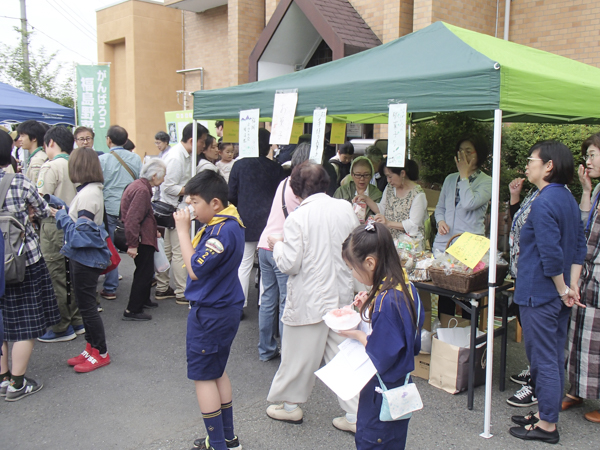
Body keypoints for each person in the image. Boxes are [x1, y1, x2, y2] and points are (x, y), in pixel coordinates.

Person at [266, 161, 359, 433]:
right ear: (326, 183)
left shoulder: (297, 217)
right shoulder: (345, 208)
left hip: (308, 300)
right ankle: (355, 415)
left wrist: (278, 245)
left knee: (297, 357)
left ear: (295, 189)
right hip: (341, 296)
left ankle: (290, 406)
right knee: (342, 357)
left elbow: (290, 264)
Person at [508, 141, 586, 444]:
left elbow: (550, 255)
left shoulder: (544, 202)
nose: (528, 165)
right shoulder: (567, 197)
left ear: (548, 166)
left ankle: (547, 425)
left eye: (532, 160)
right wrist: (571, 286)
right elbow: (579, 246)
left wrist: (563, 287)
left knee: (543, 360)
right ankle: (543, 415)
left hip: (540, 293)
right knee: (551, 356)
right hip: (557, 293)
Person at [173, 170, 245, 450]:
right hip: (224, 306)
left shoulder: (220, 231)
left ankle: (217, 444)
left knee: (203, 376)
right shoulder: (230, 221)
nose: (191, 210)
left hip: (212, 311)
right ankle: (227, 438)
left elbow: (194, 271)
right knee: (217, 371)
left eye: (194, 203)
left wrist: (181, 231)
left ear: (214, 203)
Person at [339, 222, 424, 449]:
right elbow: (410, 338)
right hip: (400, 389)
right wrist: (369, 304)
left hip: (381, 391)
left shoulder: (387, 301)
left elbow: (381, 352)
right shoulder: (404, 284)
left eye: (354, 269)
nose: (354, 274)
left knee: (373, 440)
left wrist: (356, 334)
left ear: (370, 262)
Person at [0, 129, 59, 401]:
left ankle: (2, 378)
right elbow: (44, 209)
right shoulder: (19, 181)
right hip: (22, 260)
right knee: (24, 323)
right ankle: (18, 383)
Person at [53, 147, 112, 373]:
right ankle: (91, 349)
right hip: (85, 257)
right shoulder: (91, 190)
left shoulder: (87, 194)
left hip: (85, 258)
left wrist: (60, 215)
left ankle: (101, 352)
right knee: (85, 305)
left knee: (87, 307)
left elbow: (81, 234)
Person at [256, 143, 310, 362]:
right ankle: (287, 352)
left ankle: (266, 349)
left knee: (268, 298)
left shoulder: (284, 182)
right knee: (286, 300)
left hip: (264, 244)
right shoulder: (302, 188)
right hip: (281, 246)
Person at [433, 136, 492, 318]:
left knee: (467, 297)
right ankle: (445, 336)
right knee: (445, 294)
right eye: (461, 151)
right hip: (446, 244)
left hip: (470, 248)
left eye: (469, 151)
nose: (464, 155)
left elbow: (469, 203)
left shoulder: (487, 181)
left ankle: (468, 339)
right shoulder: (450, 179)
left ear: (478, 155)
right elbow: (440, 208)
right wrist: (440, 221)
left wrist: (465, 176)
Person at [563, 132, 600, 423]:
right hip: (586, 272)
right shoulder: (598, 189)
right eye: (586, 155)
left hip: (597, 273)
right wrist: (586, 190)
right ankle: (576, 389)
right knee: (580, 334)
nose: (587, 161)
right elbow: (583, 224)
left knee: (596, 338)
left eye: (592, 155)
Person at [36, 126, 84, 343]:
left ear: (51, 143)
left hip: (53, 226)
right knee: (72, 273)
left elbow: (39, 201)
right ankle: (76, 319)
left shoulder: (50, 167)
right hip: (75, 225)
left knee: (55, 274)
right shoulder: (76, 164)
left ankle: (60, 326)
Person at [228, 128, 284, 310]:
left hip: (245, 220)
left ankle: (240, 304)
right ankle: (264, 304)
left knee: (243, 264)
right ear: (268, 145)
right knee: (267, 266)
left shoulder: (239, 166)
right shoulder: (276, 168)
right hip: (271, 222)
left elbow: (231, 195)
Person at [156, 122, 208, 304]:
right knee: (178, 251)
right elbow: (168, 186)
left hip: (173, 209)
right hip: (173, 208)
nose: (204, 145)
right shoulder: (177, 157)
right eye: (203, 141)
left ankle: (163, 288)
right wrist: (191, 191)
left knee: (167, 250)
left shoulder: (183, 155)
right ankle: (182, 291)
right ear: (193, 140)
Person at [504, 176, 540, 408]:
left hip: (536, 277)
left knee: (538, 334)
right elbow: (518, 222)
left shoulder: (551, 198)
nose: (527, 166)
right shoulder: (535, 193)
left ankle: (538, 386)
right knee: (522, 318)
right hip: (522, 271)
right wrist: (515, 198)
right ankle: (533, 370)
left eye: (532, 160)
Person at [98, 125, 142, 301]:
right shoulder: (136, 158)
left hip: (109, 208)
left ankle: (110, 287)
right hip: (131, 207)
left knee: (110, 246)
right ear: (125, 141)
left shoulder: (103, 160)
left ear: (108, 139)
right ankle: (150, 278)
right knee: (136, 242)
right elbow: (140, 181)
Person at [120, 159, 166, 321]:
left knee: (145, 271)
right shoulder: (142, 191)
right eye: (162, 176)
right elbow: (133, 219)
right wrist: (132, 244)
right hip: (142, 239)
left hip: (145, 236)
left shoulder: (138, 186)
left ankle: (144, 299)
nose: (164, 180)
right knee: (144, 273)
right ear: (154, 176)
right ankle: (133, 309)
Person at [369, 159, 427, 243]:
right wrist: (366, 199)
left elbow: (413, 225)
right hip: (389, 241)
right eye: (387, 177)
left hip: (409, 246)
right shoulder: (389, 188)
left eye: (390, 176)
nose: (388, 180)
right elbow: (382, 209)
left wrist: (388, 223)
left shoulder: (418, 195)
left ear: (402, 173)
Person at [334, 156, 382, 222]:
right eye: (358, 175)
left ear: (371, 175)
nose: (362, 179)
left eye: (366, 175)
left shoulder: (377, 195)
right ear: (352, 175)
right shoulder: (341, 192)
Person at [17, 119, 48, 186]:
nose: (19, 139)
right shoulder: (40, 155)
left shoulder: (37, 160)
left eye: (22, 136)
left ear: (34, 138)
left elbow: (35, 186)